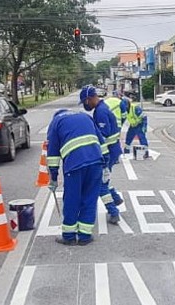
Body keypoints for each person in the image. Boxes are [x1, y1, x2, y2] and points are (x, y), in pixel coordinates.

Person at [46, 107, 107, 246]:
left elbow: (53, 154)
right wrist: (106, 165)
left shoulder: (56, 122)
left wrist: (53, 177)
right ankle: (85, 236)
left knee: (72, 200)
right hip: (96, 162)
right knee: (90, 199)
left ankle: (69, 236)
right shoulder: (86, 116)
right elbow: (101, 142)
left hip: (75, 165)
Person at [81, 84, 123, 225]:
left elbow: (103, 135)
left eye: (85, 102)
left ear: (90, 98)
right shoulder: (101, 108)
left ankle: (113, 212)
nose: (85, 105)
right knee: (104, 178)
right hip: (112, 150)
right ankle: (115, 198)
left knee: (100, 184)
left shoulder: (100, 112)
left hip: (108, 152)